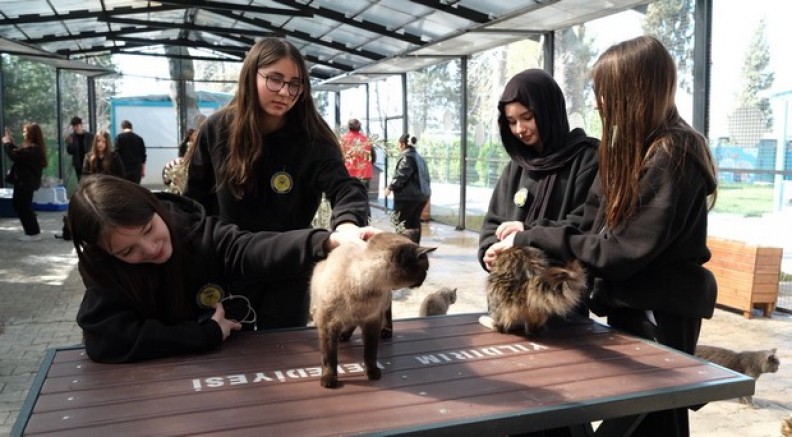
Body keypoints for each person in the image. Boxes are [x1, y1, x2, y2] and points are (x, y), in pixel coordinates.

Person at [484, 36, 718, 437]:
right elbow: (588, 225)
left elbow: (620, 252)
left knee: (647, 416)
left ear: (635, 91)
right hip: (629, 309)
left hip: (659, 316)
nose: (598, 104)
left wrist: (529, 240)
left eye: (605, 94)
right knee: (652, 420)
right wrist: (528, 233)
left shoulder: (672, 154)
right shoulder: (631, 148)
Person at [69, 175, 378, 363]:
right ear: (107, 254)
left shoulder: (197, 232)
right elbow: (107, 340)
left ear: (155, 207)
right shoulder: (106, 276)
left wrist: (328, 241)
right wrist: (203, 334)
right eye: (127, 250)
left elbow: (250, 248)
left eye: (149, 229)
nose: (150, 248)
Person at [184, 37, 370, 329]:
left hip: (289, 270)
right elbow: (193, 204)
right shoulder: (218, 129)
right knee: (227, 358)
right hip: (229, 266)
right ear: (251, 75)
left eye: (295, 84)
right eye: (275, 79)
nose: (285, 91)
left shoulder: (314, 139)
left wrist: (347, 224)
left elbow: (345, 187)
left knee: (285, 352)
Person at [478, 69, 600, 271]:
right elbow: (493, 222)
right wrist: (490, 250)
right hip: (512, 292)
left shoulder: (587, 159)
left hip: (558, 289)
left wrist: (528, 235)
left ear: (548, 111)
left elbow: (585, 224)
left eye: (527, 117)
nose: (519, 129)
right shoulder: (517, 165)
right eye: (511, 122)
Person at [2, 123, 47, 241]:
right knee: (20, 205)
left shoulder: (33, 149)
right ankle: (31, 231)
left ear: (32, 133)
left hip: (26, 182)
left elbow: (15, 156)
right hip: (24, 182)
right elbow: (18, 153)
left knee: (23, 206)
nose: (23, 133)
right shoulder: (32, 148)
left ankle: (33, 232)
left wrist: (7, 143)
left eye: (26, 131)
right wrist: (10, 144)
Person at [383, 134, 431, 244]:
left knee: (401, 222)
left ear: (403, 144)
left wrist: (390, 187)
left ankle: (403, 246)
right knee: (414, 222)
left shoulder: (407, 157)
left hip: (408, 197)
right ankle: (414, 246)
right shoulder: (420, 158)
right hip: (422, 196)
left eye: (399, 144)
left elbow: (402, 175)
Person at [340, 118, 374, 191]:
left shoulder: (343, 140)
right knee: (363, 196)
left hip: (348, 173)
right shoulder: (366, 140)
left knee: (349, 197)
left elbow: (339, 157)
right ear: (360, 127)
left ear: (349, 128)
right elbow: (373, 157)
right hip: (364, 174)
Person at [65, 116, 94, 181]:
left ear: (81, 125)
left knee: (90, 180)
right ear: (73, 127)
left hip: (90, 162)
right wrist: (69, 144)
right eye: (75, 126)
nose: (77, 127)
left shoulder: (90, 136)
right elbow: (70, 152)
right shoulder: (71, 137)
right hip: (78, 163)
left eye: (79, 125)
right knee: (80, 181)